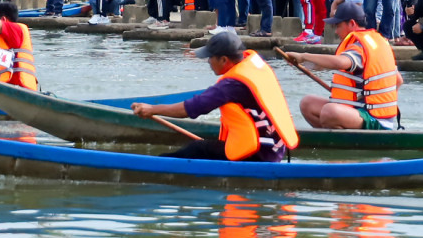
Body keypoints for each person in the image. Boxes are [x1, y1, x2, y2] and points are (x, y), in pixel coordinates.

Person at [129, 29, 300, 162]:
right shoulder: (254, 65)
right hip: (276, 149)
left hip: (259, 155)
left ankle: (153, 168)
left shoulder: (231, 85)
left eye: (210, 57)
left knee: (197, 149)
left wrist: (152, 109)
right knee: (206, 147)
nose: (208, 62)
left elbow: (190, 109)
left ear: (224, 60)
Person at [283, 2, 401, 129]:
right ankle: (331, 142)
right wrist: (303, 64)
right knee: (307, 104)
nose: (336, 31)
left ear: (352, 23)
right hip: (358, 112)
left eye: (338, 26)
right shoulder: (374, 42)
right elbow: (398, 80)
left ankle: (344, 143)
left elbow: (340, 62)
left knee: (329, 111)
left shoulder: (359, 46)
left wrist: (303, 56)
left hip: (374, 118)